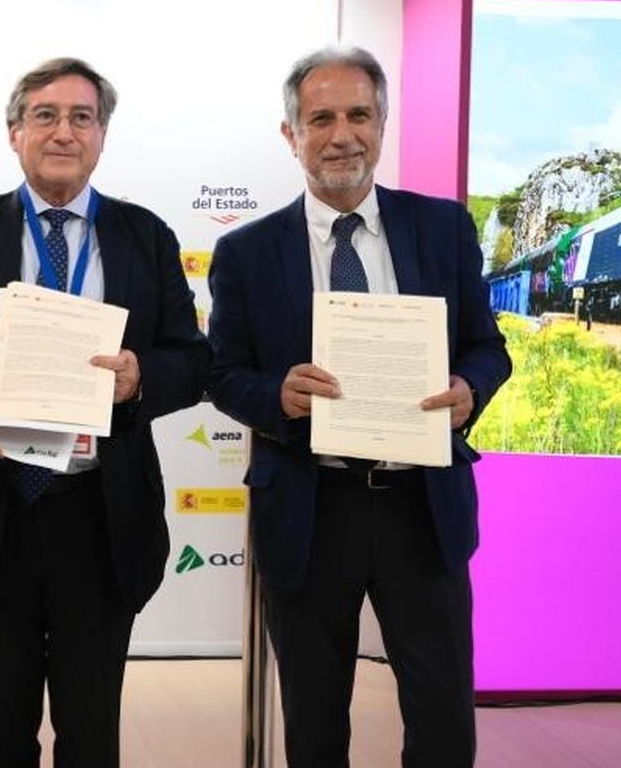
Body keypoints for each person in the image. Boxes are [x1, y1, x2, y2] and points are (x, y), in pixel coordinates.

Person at [205, 45, 512, 768]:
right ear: (292, 135)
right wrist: (276, 395)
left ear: (382, 123)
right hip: (311, 511)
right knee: (314, 729)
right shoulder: (246, 252)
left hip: (422, 509)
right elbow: (220, 374)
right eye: (321, 119)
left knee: (442, 726)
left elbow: (487, 348)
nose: (342, 135)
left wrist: (471, 390)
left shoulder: (442, 228)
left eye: (359, 115)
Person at [0, 58, 207, 767]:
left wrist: (139, 379)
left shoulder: (146, 236)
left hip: (99, 517)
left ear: (102, 135)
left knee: (91, 735)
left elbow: (193, 360)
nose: (63, 131)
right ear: (14, 133)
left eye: (81, 116)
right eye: (45, 115)